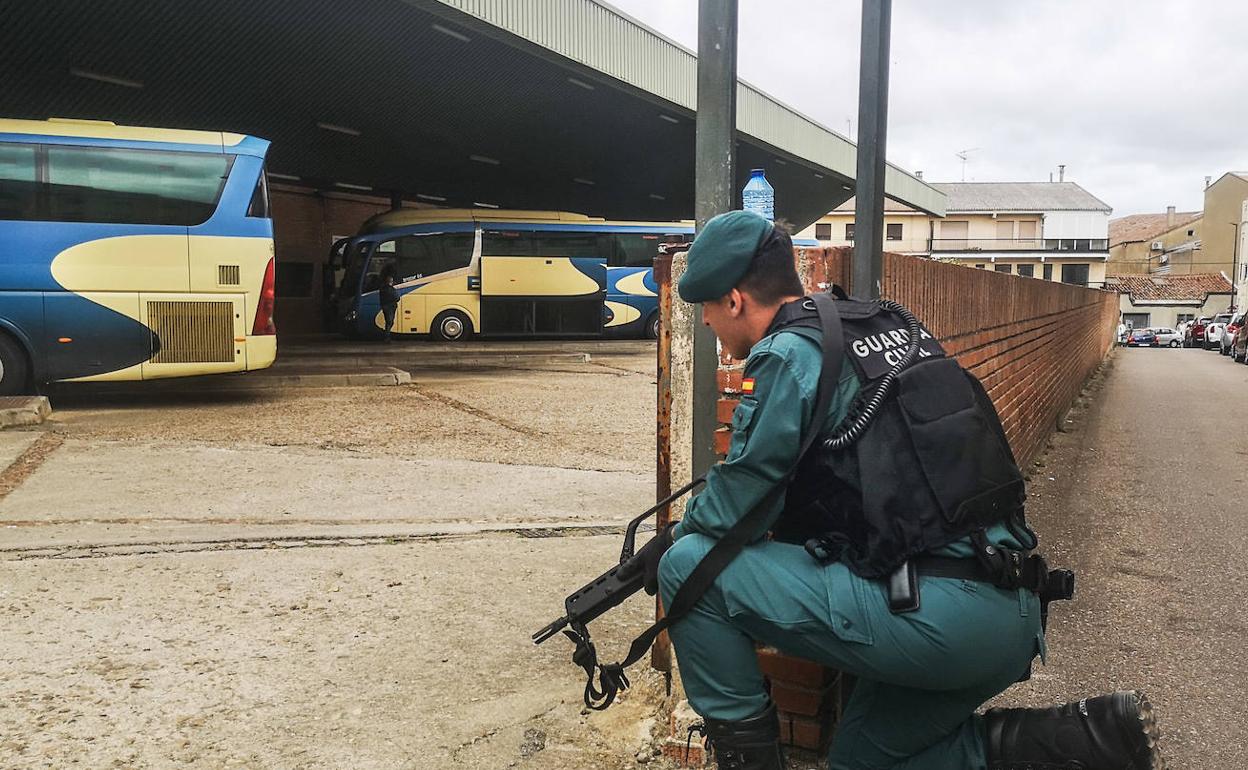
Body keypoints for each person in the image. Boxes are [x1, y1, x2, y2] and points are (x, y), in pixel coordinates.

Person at [630, 210, 1162, 770]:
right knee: (860, 762)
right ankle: (1090, 737)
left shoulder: (787, 354)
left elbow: (737, 506)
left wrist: (670, 540)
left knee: (688, 566)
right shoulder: (880, 326)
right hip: (1010, 606)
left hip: (939, 616)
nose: (706, 322)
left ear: (734, 300)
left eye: (707, 308)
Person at [378, 266, 399, 342]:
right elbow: (397, 298)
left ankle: (386, 335)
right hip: (390, 307)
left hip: (385, 307)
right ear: (390, 282)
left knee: (388, 321)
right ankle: (387, 336)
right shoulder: (391, 289)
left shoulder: (382, 289)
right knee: (390, 322)